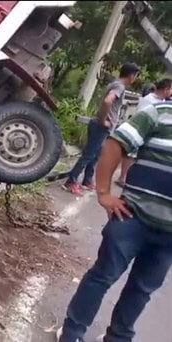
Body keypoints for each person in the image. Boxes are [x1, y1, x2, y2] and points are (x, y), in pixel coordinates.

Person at [57, 102, 172, 342]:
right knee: (103, 276)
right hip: (132, 218)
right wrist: (104, 193)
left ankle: (118, 337)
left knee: (142, 289)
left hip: (168, 237)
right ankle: (72, 333)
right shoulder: (160, 113)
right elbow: (116, 142)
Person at [63, 63, 140, 196]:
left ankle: (87, 180)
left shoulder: (116, 84)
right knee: (89, 154)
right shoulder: (119, 86)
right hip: (101, 126)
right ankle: (71, 181)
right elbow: (107, 101)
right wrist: (104, 120)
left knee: (96, 155)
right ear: (131, 75)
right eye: (136, 75)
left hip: (102, 127)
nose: (136, 78)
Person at [117, 78, 172, 186]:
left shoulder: (161, 101)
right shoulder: (150, 99)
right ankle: (123, 177)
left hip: (149, 133)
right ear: (166, 89)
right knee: (131, 155)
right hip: (141, 131)